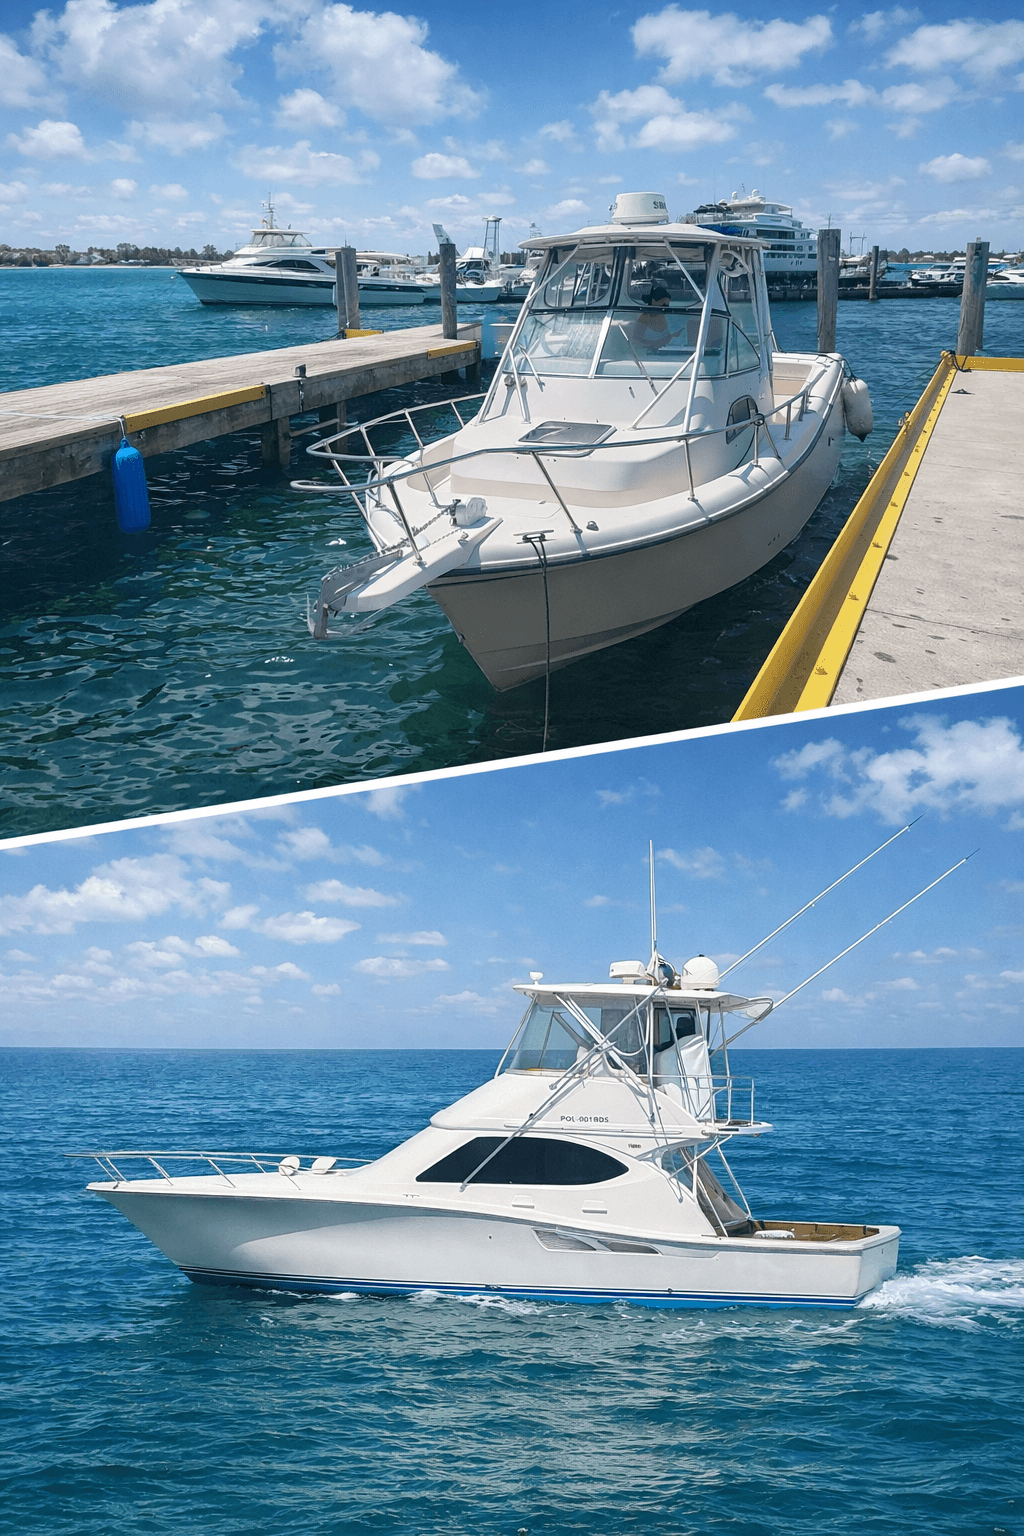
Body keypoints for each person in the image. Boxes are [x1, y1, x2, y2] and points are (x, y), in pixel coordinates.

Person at [627, 284, 675, 352]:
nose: (665, 308)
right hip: (646, 356)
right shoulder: (645, 317)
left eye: (667, 305)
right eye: (663, 304)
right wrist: (655, 344)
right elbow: (636, 341)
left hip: (663, 354)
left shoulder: (665, 316)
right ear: (653, 301)